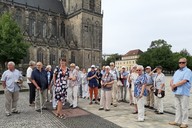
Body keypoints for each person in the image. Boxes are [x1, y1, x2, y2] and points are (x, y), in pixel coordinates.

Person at [169, 58, 192, 128]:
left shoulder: (188, 71)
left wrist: (175, 85)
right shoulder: (177, 71)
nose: (181, 64)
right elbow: (172, 79)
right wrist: (172, 85)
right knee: (177, 107)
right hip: (176, 91)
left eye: (183, 62)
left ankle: (184, 123)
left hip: (184, 92)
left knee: (184, 108)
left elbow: (184, 81)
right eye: (180, 62)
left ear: (186, 63)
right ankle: (177, 121)